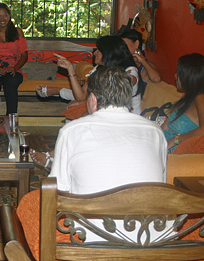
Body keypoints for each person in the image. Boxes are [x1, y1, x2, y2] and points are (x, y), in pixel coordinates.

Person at [49, 66, 167, 242]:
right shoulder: (155, 131)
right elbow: (161, 185)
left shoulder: (72, 130)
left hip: (92, 239)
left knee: (30, 204)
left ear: (93, 100)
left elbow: (58, 190)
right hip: (149, 239)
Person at [37, 35, 142, 114]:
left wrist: (83, 103)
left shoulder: (130, 71)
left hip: (126, 118)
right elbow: (81, 96)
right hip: (105, 113)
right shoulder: (99, 68)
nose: (95, 53)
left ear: (109, 52)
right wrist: (70, 69)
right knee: (75, 110)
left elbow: (117, 87)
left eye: (99, 50)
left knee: (78, 110)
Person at [162, 53, 204, 152]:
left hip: (178, 157)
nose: (175, 76)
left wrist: (175, 140)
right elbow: (165, 126)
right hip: (162, 147)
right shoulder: (187, 96)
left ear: (189, 76)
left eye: (178, 73)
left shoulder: (201, 98)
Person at [120, 28, 161, 94]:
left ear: (136, 44)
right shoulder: (125, 62)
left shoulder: (146, 65)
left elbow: (157, 79)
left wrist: (142, 60)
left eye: (125, 44)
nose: (122, 48)